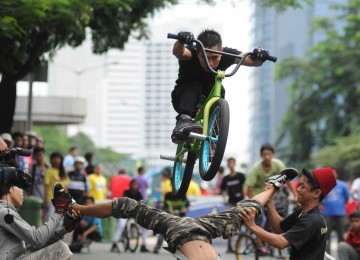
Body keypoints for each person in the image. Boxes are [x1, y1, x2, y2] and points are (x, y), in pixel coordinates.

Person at [61, 167, 299, 260]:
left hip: (177, 230)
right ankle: (272, 186)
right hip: (206, 230)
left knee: (129, 205)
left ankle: (77, 209)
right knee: (246, 208)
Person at [170, 29, 269, 143]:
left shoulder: (225, 54)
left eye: (215, 57)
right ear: (198, 53)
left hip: (208, 97)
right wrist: (180, 41)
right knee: (195, 85)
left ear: (221, 52)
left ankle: (214, 134)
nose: (210, 63)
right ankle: (183, 121)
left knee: (219, 89)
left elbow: (250, 60)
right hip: (183, 98)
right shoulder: (191, 53)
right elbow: (179, 52)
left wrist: (260, 56)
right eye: (205, 57)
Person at [240, 167, 337, 260]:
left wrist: (252, 226)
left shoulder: (313, 220)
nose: (298, 189)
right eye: (299, 185)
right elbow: (279, 227)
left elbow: (281, 242)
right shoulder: (302, 211)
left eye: (303, 187)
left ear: (316, 193)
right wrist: (269, 202)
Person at [0, 177, 80, 259]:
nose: (22, 192)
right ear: (9, 188)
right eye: (20, 187)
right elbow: (37, 239)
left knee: (58, 245)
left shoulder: (6, 211)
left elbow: (31, 245)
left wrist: (65, 230)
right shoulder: (5, 213)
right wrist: (59, 212)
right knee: (60, 248)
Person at [110, 179, 149, 253]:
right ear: (131, 185)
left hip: (135, 214)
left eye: (136, 185)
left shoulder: (139, 193)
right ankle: (114, 243)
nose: (135, 186)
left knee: (145, 227)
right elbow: (125, 201)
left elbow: (142, 202)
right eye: (134, 184)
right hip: (125, 213)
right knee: (121, 225)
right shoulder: (126, 192)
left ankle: (143, 245)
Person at [220, 157, 245, 252]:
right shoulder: (226, 178)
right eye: (229, 163)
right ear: (227, 165)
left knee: (242, 224)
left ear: (235, 164)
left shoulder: (241, 176)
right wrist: (224, 197)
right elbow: (223, 190)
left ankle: (239, 245)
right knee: (230, 225)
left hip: (241, 203)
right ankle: (229, 246)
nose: (231, 164)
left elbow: (246, 186)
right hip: (231, 203)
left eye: (232, 163)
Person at [322, 168, 350, 254]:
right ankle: (327, 255)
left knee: (341, 234)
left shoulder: (342, 184)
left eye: (333, 173)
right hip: (327, 213)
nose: (332, 175)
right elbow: (320, 198)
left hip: (340, 213)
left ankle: (342, 254)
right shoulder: (324, 185)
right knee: (326, 235)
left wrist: (340, 206)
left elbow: (347, 198)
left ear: (336, 174)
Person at [44, 151, 70, 221]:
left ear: (61, 160)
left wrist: (67, 201)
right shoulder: (49, 171)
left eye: (58, 158)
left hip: (62, 200)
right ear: (51, 160)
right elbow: (46, 186)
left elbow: (66, 188)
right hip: (51, 199)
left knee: (60, 221)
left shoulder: (64, 172)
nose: (56, 160)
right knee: (49, 219)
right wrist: (46, 201)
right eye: (54, 158)